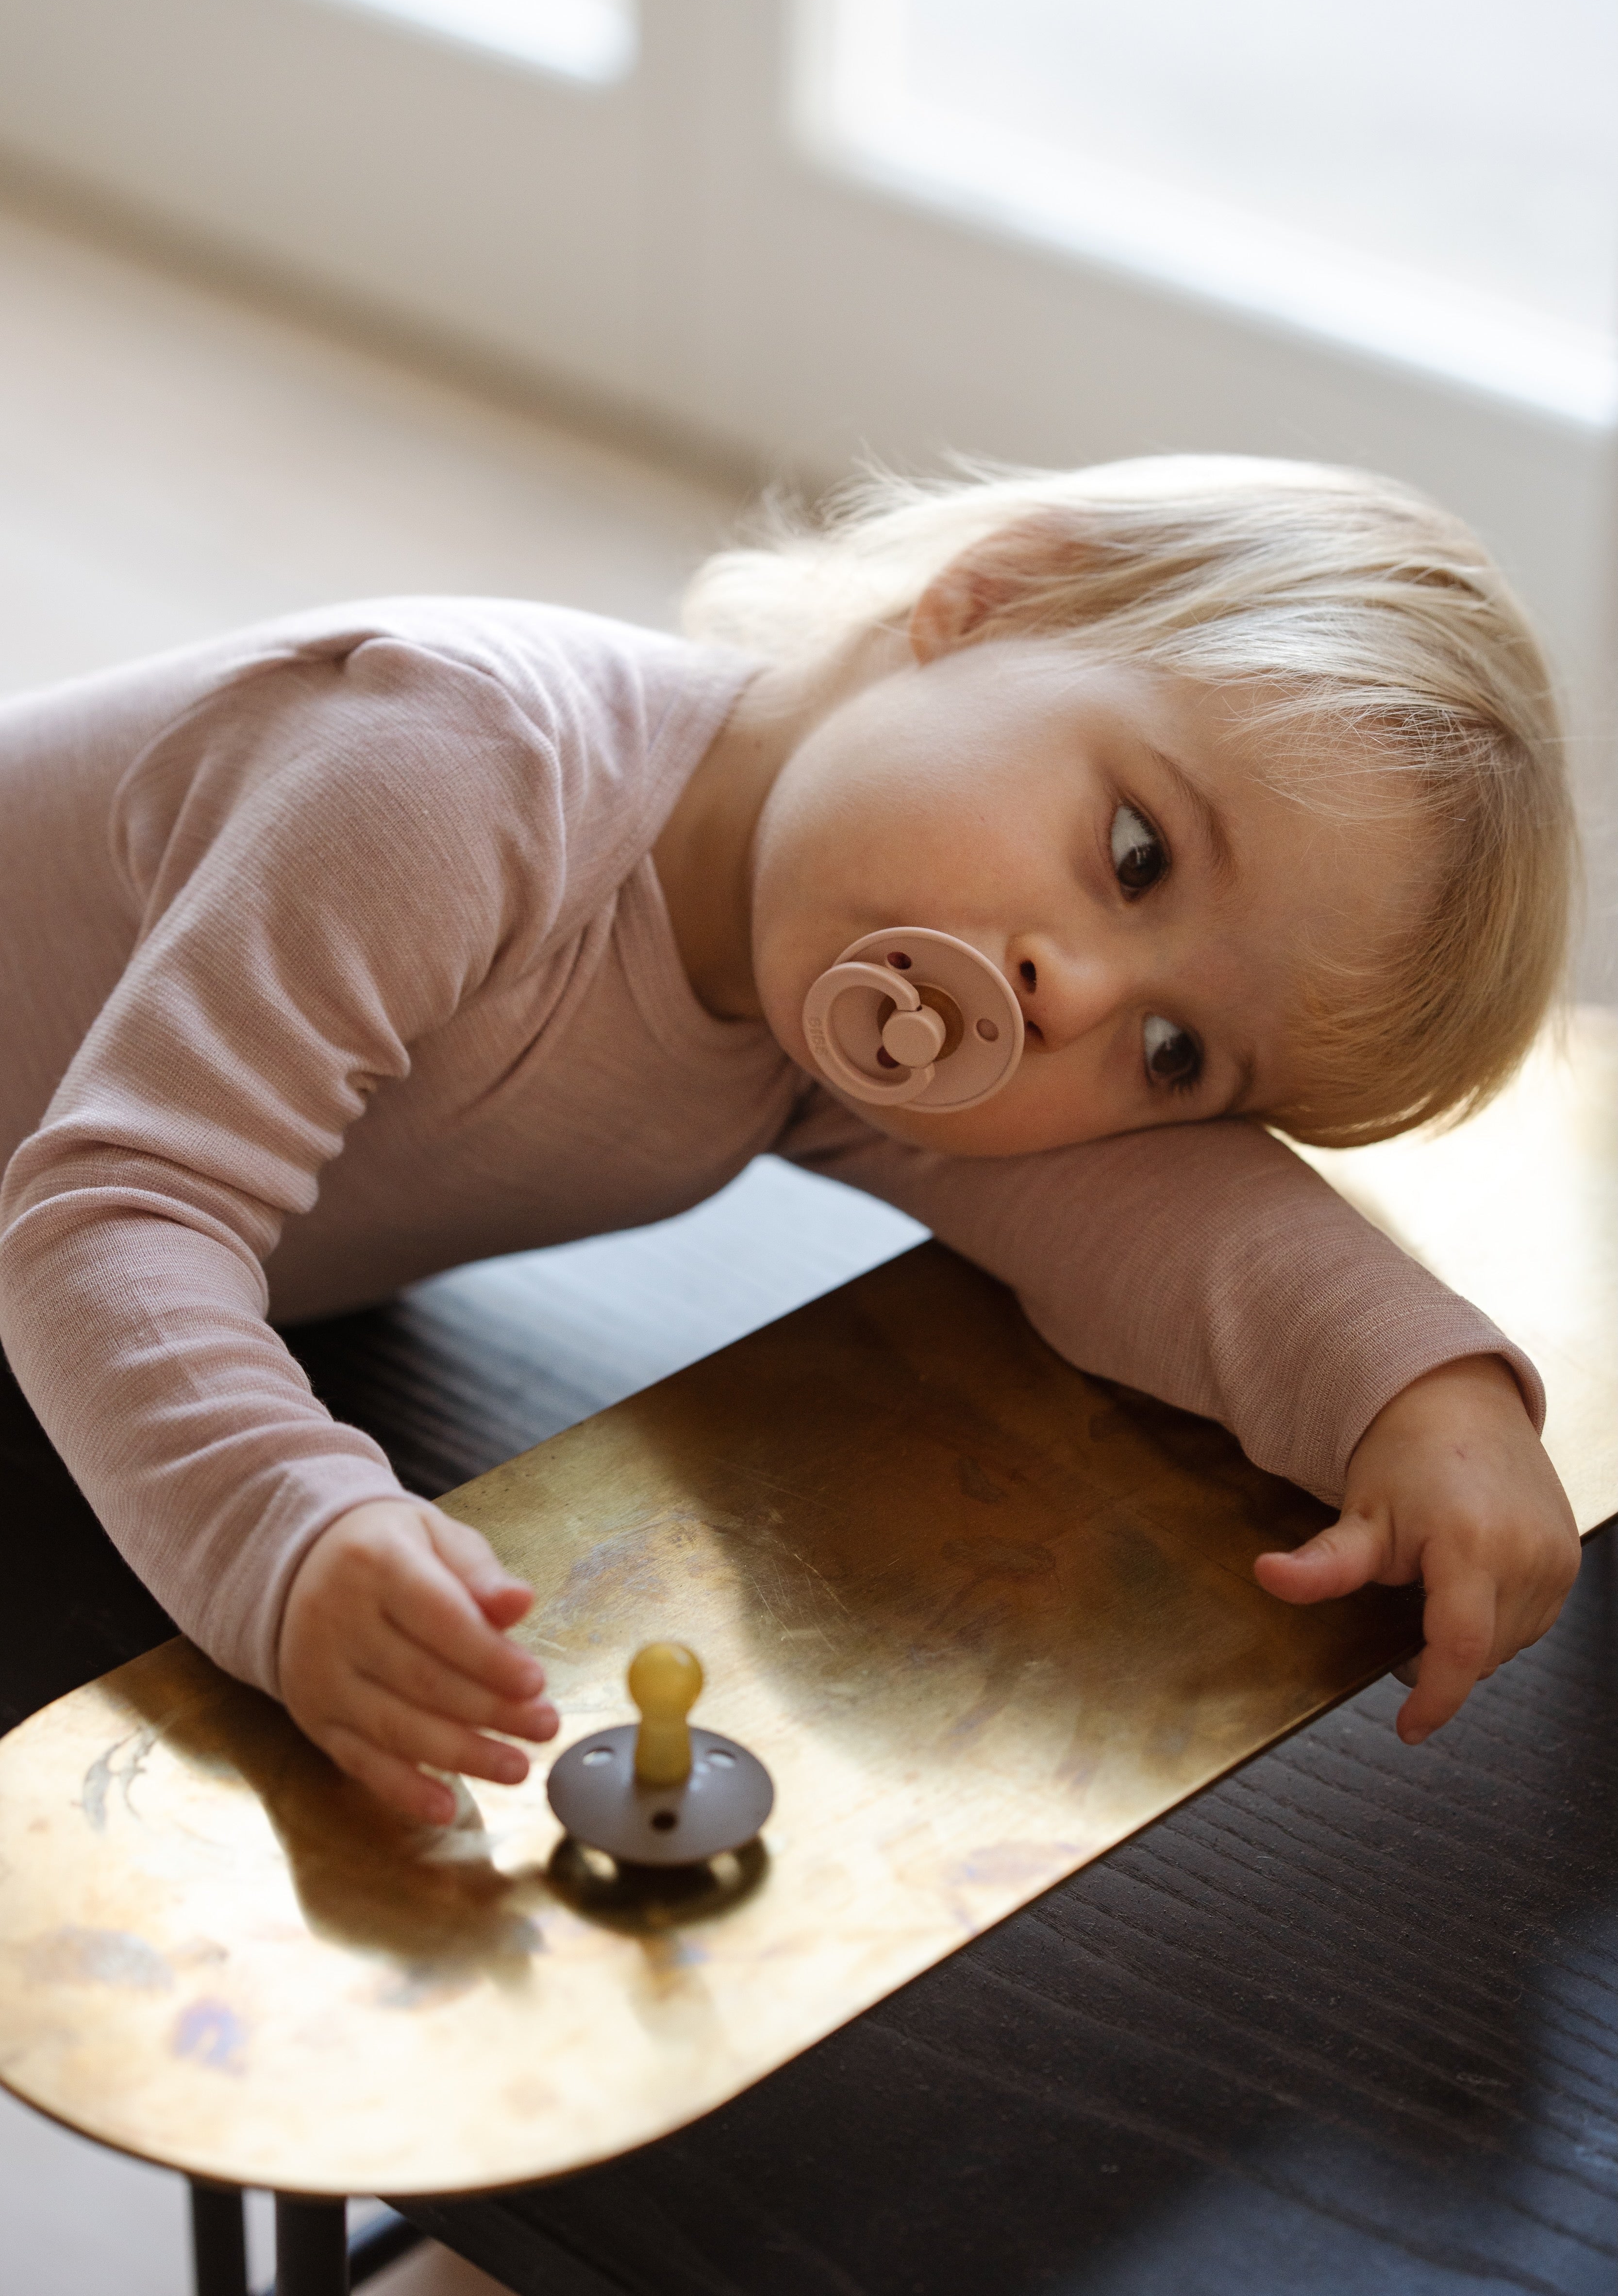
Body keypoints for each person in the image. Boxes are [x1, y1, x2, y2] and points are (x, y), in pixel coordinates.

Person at [0, 455, 1581, 1825]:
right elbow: (109, 1216)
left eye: (1177, 1052)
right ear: (993, 600)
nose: (1073, 996)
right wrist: (284, 1533)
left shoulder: (836, 1012)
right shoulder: (454, 772)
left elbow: (1161, 1213)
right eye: (1136, 851)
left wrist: (1417, 1396)